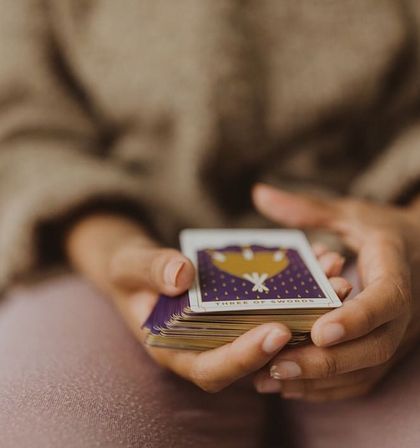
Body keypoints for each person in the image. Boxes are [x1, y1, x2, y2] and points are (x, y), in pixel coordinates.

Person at [1, 1, 420, 447]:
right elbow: (25, 127)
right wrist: (108, 246)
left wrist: (413, 225)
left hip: (377, 233)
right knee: (60, 430)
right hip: (106, 247)